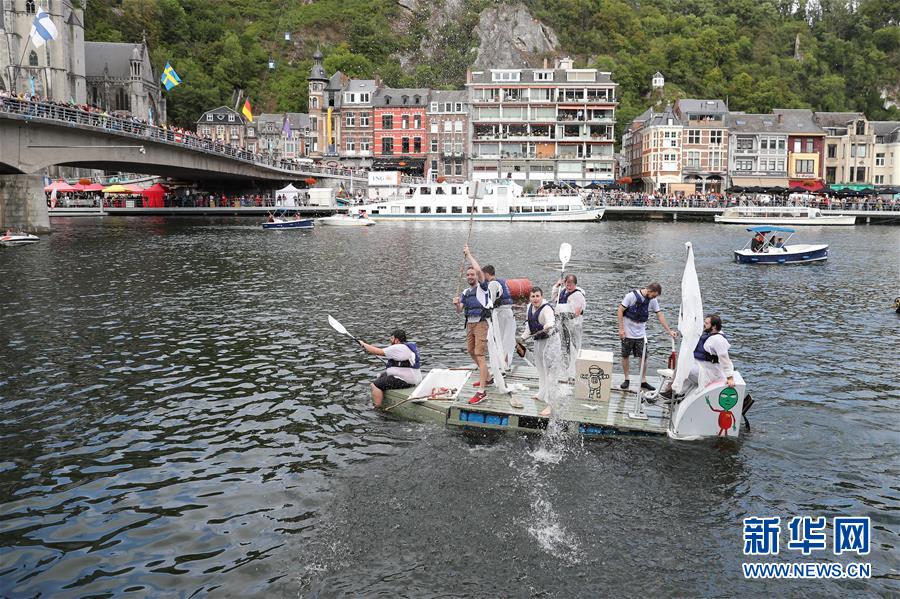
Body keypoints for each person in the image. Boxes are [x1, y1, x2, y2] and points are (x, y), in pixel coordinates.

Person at [617, 283, 677, 391]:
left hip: (641, 333)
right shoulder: (631, 296)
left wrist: (669, 331)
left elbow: (659, 314)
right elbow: (620, 310)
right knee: (625, 355)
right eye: (654, 295)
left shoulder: (652, 300)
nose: (654, 298)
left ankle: (643, 380)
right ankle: (626, 379)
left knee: (643, 357)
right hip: (627, 332)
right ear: (649, 290)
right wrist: (621, 329)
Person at [661, 314, 734, 399]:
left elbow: (725, 360)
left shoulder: (718, 340)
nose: (704, 324)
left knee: (685, 369)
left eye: (706, 323)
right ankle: (676, 392)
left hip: (710, 372)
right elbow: (693, 334)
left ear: (714, 326)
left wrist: (730, 378)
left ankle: (674, 392)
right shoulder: (708, 332)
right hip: (700, 365)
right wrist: (678, 334)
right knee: (682, 365)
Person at [453, 245, 491, 404]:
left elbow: (479, 270)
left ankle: (482, 391)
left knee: (480, 355)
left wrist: (468, 255)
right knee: (471, 351)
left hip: (481, 324)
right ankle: (487, 378)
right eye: (468, 275)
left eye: (472, 274)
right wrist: (457, 304)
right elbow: (459, 311)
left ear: (476, 276)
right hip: (470, 324)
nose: (470, 276)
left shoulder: (483, 287)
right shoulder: (465, 292)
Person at [358, 329, 422, 409]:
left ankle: (377, 408)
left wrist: (363, 344)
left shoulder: (397, 347)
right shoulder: (409, 346)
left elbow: (377, 351)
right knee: (380, 376)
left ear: (397, 340)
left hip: (406, 381)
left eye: (392, 338)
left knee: (375, 385)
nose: (390, 340)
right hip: (415, 378)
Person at [524, 287, 558, 416]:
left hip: (550, 341)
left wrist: (548, 325)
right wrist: (522, 338)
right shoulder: (529, 307)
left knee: (549, 372)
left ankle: (551, 404)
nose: (535, 299)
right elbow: (529, 328)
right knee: (540, 369)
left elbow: (551, 321)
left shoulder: (546, 308)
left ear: (542, 297)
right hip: (538, 340)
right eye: (533, 296)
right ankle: (542, 393)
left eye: (537, 296)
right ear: (530, 298)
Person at [480, 262, 517, 372]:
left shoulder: (492, 284)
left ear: (487, 274)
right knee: (507, 339)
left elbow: (490, 301)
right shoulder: (502, 282)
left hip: (501, 313)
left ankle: (502, 366)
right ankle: (506, 364)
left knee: (499, 339)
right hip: (509, 312)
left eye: (483, 275)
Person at [551, 273, 586, 379]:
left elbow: (577, 312)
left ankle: (574, 371)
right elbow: (554, 299)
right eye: (567, 284)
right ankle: (566, 369)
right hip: (563, 324)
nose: (569, 286)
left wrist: (564, 315)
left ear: (575, 284)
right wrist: (557, 286)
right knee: (564, 347)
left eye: (571, 285)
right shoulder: (563, 291)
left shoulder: (578, 295)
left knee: (574, 346)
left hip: (574, 325)